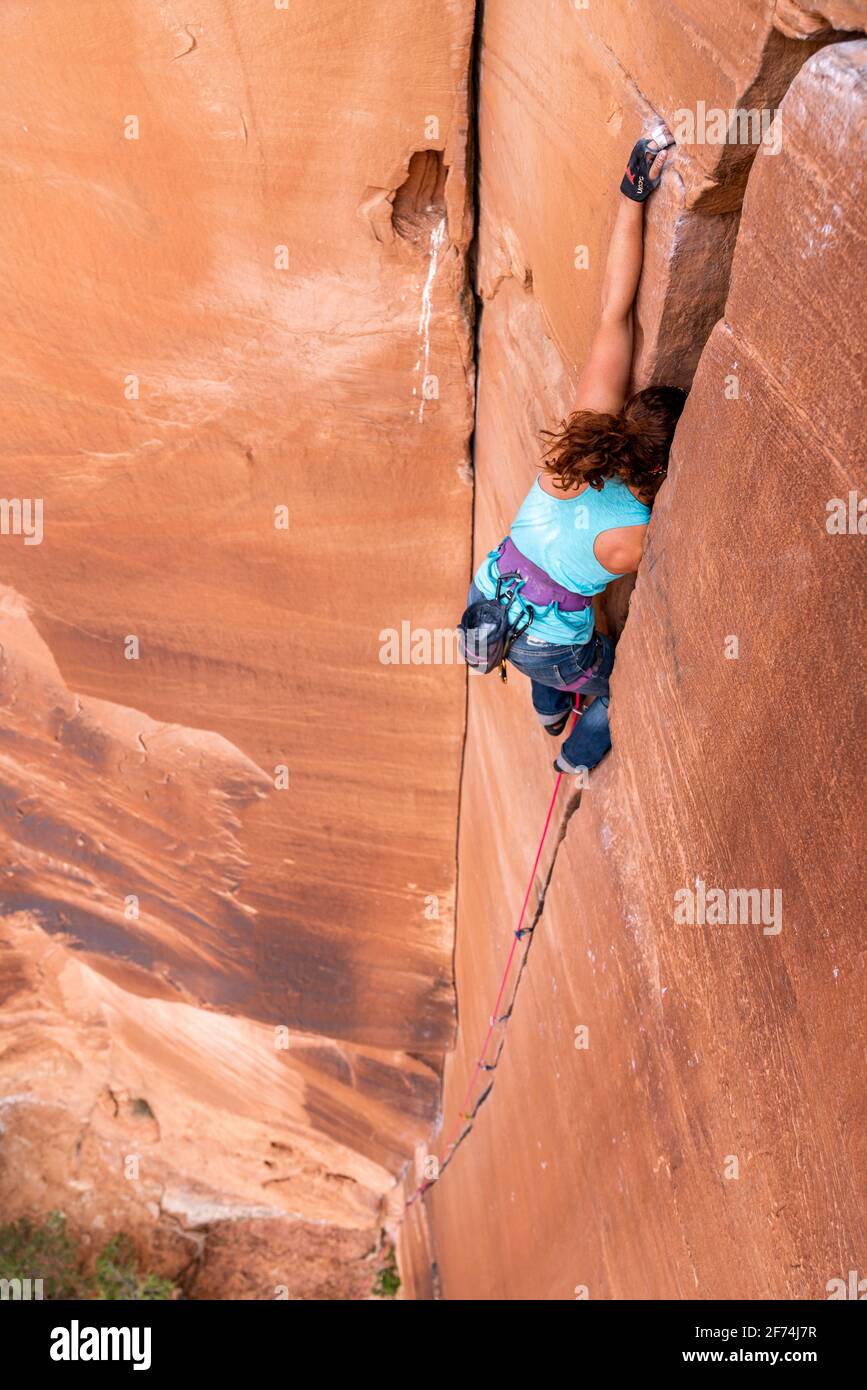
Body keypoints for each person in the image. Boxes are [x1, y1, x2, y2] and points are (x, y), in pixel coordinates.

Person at [465, 127, 686, 776]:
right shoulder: (638, 535)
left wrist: (633, 195)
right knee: (610, 681)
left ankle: (544, 710)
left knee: (548, 638)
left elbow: (614, 313)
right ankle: (575, 750)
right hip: (548, 645)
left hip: (491, 591)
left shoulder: (576, 450)